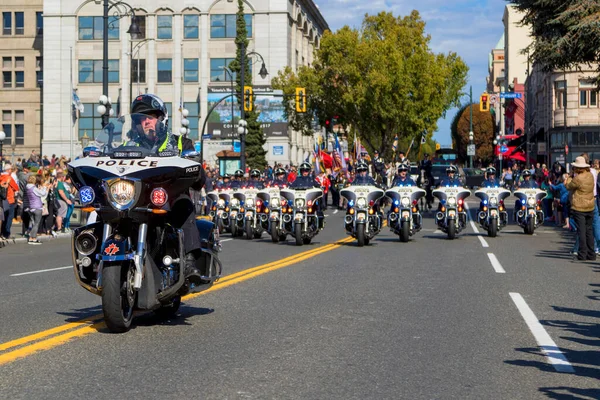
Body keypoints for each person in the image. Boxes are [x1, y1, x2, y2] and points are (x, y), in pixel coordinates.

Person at [125, 94, 207, 286]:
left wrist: (193, 165)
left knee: (184, 204)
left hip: (171, 200)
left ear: (162, 119)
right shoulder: (128, 147)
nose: (145, 122)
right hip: (139, 202)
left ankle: (189, 262)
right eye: (140, 119)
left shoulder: (181, 144)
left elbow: (199, 180)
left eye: (150, 117)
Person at [565, 156, 596, 261]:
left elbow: (568, 186)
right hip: (590, 205)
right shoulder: (590, 175)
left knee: (581, 231)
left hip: (579, 207)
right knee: (589, 230)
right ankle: (591, 253)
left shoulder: (578, 178)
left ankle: (582, 254)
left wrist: (569, 176)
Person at [25, 175, 48, 245]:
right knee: (36, 224)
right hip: (37, 207)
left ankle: (31, 237)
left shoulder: (28, 187)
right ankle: (33, 238)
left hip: (31, 207)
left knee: (33, 222)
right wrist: (45, 188)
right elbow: (42, 194)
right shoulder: (33, 188)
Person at [0, 163, 19, 239]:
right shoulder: (9, 178)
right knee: (9, 217)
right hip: (10, 199)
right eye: (11, 169)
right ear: (8, 170)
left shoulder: (1, 177)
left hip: (2, 200)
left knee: (2, 217)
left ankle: (1, 233)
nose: (11, 170)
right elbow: (16, 187)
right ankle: (6, 233)